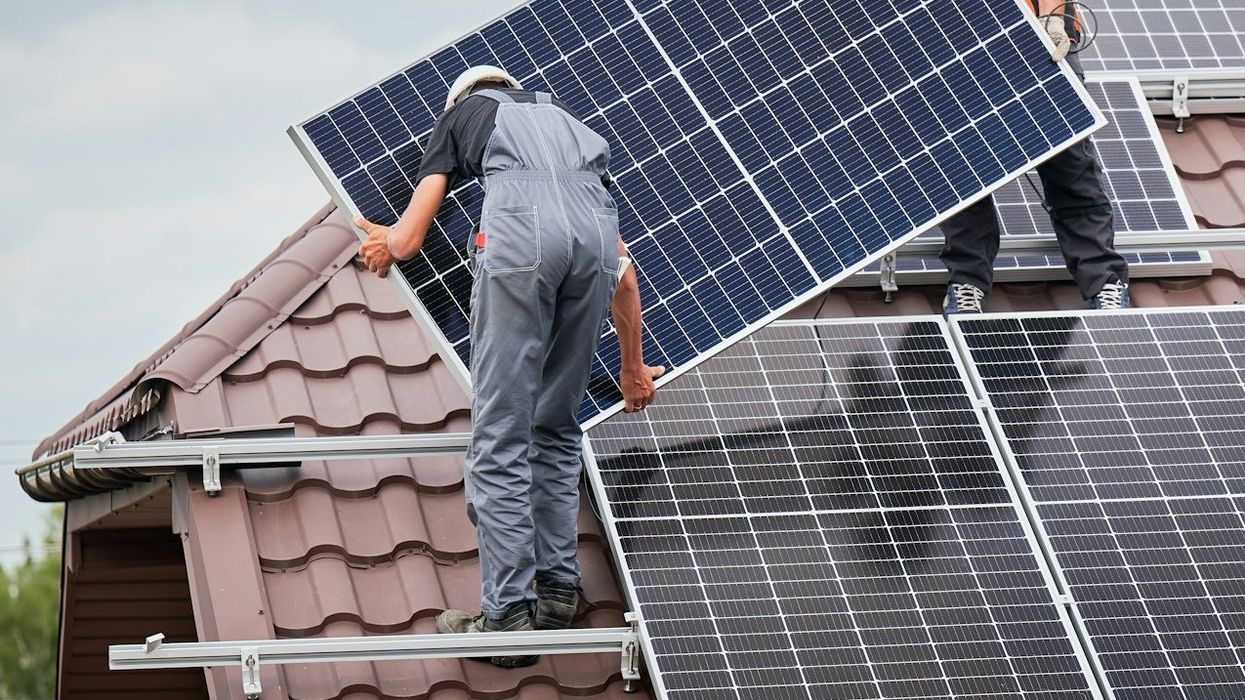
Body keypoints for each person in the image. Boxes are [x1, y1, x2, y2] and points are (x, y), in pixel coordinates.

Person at [355, 65, 664, 667]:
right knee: (554, 427)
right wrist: (633, 368)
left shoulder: (462, 116)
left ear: (465, 98)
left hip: (523, 243)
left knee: (499, 437)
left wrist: (383, 244)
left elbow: (411, 237)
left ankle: (507, 619)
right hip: (595, 245)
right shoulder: (574, 128)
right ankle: (557, 594)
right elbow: (623, 274)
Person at [941, 0, 1130, 314]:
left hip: (1038, 28)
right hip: (951, 36)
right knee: (962, 163)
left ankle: (1104, 279)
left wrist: (1055, 17)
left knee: (1069, 159)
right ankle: (967, 281)